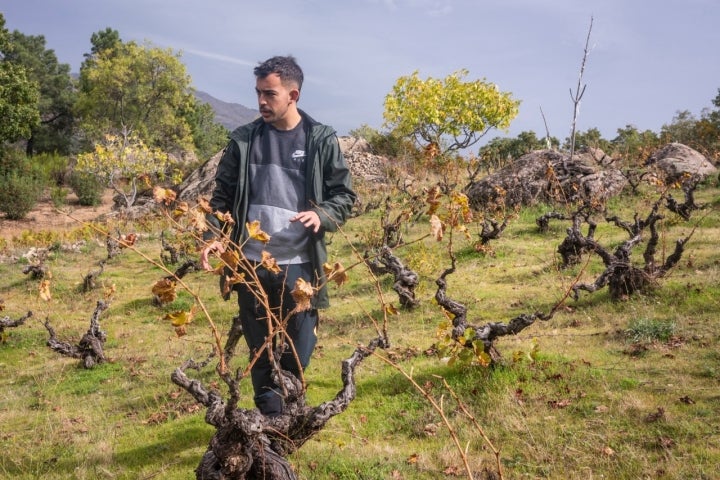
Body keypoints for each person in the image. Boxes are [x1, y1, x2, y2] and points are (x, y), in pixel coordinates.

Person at [200, 55, 356, 417]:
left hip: (301, 268)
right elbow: (221, 199)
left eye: (269, 93)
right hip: (251, 266)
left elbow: (344, 196)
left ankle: (286, 415)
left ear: (293, 94)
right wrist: (218, 237)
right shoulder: (243, 141)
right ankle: (271, 429)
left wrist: (321, 214)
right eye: (257, 93)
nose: (260, 101)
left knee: (296, 356)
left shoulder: (320, 140)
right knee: (260, 355)